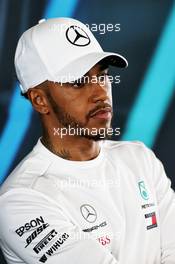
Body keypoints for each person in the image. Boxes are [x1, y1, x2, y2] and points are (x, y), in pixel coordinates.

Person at [0, 17, 174, 264]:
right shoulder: (20, 200)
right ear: (40, 100)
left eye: (102, 76)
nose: (101, 92)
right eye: (78, 82)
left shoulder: (140, 159)